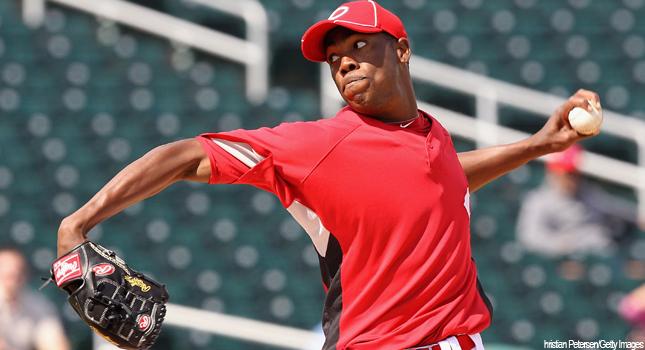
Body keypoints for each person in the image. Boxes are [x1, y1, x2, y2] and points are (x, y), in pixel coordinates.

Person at [56, 1, 601, 349]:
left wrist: (539, 145)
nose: (345, 62)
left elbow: (445, 182)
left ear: (403, 51)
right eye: (335, 57)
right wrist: (78, 223)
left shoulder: (429, 134)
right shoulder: (321, 145)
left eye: (361, 46)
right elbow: (183, 156)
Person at [516, 144, 640, 258]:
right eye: (567, 173)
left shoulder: (589, 193)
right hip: (563, 259)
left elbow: (614, 207)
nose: (571, 179)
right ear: (553, 172)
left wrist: (638, 217)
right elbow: (529, 236)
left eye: (574, 174)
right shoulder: (538, 201)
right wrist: (564, 245)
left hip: (599, 252)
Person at [0, 247, 70, 350]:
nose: (13, 280)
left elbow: (54, 343)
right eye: (7, 275)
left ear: (25, 275)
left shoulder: (37, 305)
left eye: (17, 274)